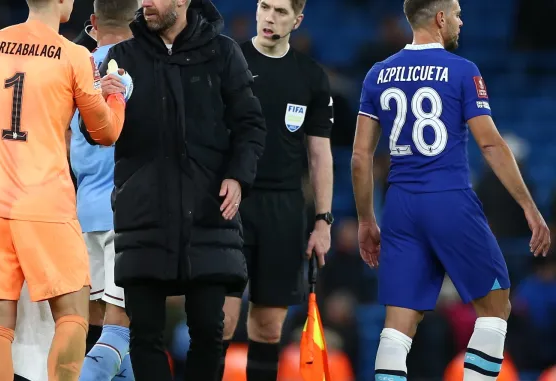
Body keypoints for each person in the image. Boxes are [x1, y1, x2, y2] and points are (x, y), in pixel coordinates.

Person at [351, 1, 551, 381]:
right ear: (440, 18)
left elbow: (361, 157)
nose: (461, 21)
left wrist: (366, 219)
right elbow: (490, 145)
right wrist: (528, 205)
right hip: (449, 199)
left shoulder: (377, 74)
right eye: (457, 14)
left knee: (397, 325)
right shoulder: (462, 71)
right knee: (495, 307)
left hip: (400, 206)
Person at [0, 0, 131, 378]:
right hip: (45, 202)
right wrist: (116, 96)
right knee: (73, 315)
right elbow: (105, 132)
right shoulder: (73, 55)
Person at [100, 0, 267, 379]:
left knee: (210, 331)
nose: (144, 4)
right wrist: (99, 104)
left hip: (208, 214)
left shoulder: (222, 52)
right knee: (143, 335)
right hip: (142, 214)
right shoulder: (119, 59)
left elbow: (251, 126)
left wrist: (238, 176)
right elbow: (96, 135)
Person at [9, 1, 139, 380]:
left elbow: (57, 137)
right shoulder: (146, 68)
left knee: (97, 326)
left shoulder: (67, 66)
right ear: (137, 21)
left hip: (80, 209)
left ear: (94, 23)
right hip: (129, 210)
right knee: (120, 328)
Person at [219, 0, 335, 379]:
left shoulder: (311, 76)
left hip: (283, 210)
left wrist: (323, 221)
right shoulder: (225, 59)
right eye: (265, 7)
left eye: (281, 11)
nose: (270, 17)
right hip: (228, 204)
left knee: (268, 327)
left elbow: (319, 154)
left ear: (297, 20)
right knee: (219, 320)